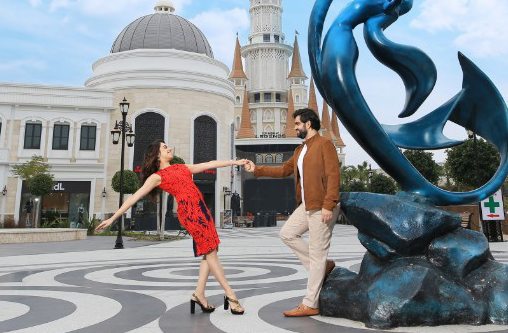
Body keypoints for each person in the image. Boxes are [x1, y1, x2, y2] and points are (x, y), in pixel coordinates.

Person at [96, 141, 251, 315]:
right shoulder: (157, 177)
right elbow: (134, 197)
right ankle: (230, 294)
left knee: (210, 250)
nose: (169, 148)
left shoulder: (181, 167)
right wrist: (113, 218)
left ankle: (199, 294)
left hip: (202, 209)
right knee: (210, 252)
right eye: (164, 147)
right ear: (156, 155)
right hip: (191, 213)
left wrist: (235, 162)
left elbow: (209, 164)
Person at [246, 108, 340, 317]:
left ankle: (310, 303)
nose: (295, 127)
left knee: (317, 252)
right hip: (307, 205)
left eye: (297, 124)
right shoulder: (300, 150)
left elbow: (333, 175)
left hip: (322, 206)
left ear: (308, 124)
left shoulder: (325, 144)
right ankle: (323, 266)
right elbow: (283, 170)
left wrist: (329, 204)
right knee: (287, 233)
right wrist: (257, 169)